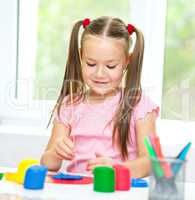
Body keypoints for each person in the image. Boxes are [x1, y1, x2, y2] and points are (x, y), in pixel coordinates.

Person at [40, 16, 159, 178]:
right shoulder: (69, 105)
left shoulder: (139, 105)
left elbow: (151, 162)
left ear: (127, 61)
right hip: (77, 191)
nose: (99, 73)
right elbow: (49, 163)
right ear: (81, 56)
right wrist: (55, 153)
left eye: (111, 66)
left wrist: (117, 169)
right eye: (91, 64)